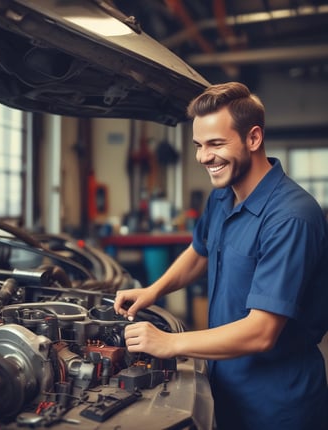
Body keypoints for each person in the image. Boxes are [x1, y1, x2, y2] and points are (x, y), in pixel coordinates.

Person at [114, 82, 328, 430]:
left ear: (253, 138)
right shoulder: (221, 197)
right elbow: (199, 253)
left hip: (276, 405)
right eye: (198, 145)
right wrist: (154, 290)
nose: (203, 157)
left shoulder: (291, 217)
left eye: (216, 144)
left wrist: (170, 343)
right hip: (224, 386)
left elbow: (261, 332)